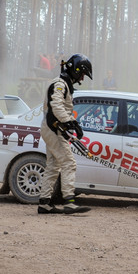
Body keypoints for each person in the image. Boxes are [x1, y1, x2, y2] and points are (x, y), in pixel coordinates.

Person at [38, 53, 93, 215]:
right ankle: (69, 201)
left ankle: (44, 203)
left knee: (53, 166)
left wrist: (70, 124)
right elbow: (57, 106)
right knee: (69, 163)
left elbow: (58, 108)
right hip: (53, 128)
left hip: (52, 128)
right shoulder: (60, 85)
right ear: (75, 70)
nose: (82, 79)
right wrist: (72, 123)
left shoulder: (63, 84)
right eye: (82, 74)